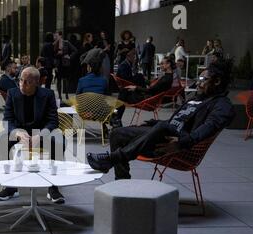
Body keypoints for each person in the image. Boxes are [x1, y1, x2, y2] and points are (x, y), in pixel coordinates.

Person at [87, 59, 235, 180]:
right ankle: (122, 183)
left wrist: (183, 142)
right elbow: (175, 121)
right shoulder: (196, 98)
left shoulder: (221, 104)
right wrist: (152, 123)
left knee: (163, 127)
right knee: (117, 133)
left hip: (177, 145)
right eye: (199, 78)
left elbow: (209, 127)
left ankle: (112, 159)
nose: (198, 83)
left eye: (203, 79)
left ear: (217, 82)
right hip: (161, 135)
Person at [0, 67, 66, 204]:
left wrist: (40, 135)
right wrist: (17, 133)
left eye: (27, 82)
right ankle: (10, 186)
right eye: (21, 80)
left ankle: (53, 187)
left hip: (40, 131)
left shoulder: (48, 94)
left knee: (58, 141)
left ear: (36, 83)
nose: (22, 84)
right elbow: (7, 119)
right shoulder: (12, 93)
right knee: (1, 140)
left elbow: (53, 121)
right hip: (19, 131)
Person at [113, 56, 175, 127]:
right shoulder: (168, 77)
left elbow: (150, 90)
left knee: (123, 93)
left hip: (148, 100)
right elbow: (153, 88)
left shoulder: (166, 79)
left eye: (162, 63)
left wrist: (136, 88)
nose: (160, 65)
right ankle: (116, 118)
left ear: (168, 64)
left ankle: (115, 117)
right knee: (127, 90)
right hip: (150, 98)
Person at [54, 31, 77, 100]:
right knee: (58, 80)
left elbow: (75, 50)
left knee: (66, 79)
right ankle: (60, 96)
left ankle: (66, 94)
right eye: (55, 36)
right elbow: (53, 54)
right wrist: (57, 54)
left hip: (65, 63)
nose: (56, 37)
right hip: (58, 63)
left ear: (60, 36)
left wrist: (69, 56)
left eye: (57, 35)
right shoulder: (55, 43)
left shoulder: (66, 43)